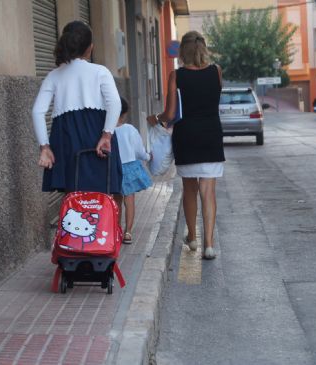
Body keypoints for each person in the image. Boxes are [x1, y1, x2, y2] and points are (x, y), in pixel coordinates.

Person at [147, 31, 224, 260]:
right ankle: (209, 245)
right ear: (203, 49)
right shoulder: (216, 72)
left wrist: (155, 118)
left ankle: (192, 238)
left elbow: (170, 114)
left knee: (190, 189)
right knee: (208, 192)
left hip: (187, 137)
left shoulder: (176, 76)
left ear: (183, 52)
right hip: (211, 135)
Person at [32, 21, 122, 196]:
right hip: (97, 133)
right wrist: (106, 135)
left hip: (65, 137)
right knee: (102, 192)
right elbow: (115, 103)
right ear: (90, 47)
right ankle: (103, 224)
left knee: (73, 194)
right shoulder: (100, 71)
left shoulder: (53, 76)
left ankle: (74, 223)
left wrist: (45, 147)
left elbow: (37, 111)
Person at [115, 97, 152, 244]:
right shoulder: (130, 129)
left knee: (115, 200)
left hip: (114, 168)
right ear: (125, 113)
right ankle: (128, 232)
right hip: (130, 167)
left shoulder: (106, 131)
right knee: (129, 200)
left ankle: (116, 230)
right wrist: (147, 157)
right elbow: (139, 151)